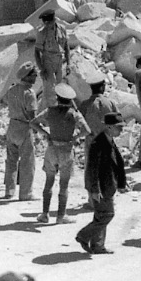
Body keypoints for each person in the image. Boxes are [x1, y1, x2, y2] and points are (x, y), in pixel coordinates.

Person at [75, 111, 129, 256]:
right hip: (101, 187)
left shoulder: (109, 140)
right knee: (107, 215)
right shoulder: (98, 143)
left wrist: (121, 183)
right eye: (119, 127)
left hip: (108, 186)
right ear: (110, 127)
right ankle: (83, 235)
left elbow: (117, 163)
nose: (121, 130)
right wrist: (94, 189)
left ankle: (98, 246)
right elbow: (92, 169)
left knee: (101, 216)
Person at [37, 83, 82, 224]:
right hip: (66, 150)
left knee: (49, 182)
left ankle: (45, 214)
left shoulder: (50, 111)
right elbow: (86, 129)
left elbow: (33, 123)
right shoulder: (73, 114)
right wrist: (74, 138)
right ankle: (61, 216)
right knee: (64, 185)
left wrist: (46, 134)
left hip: (52, 148)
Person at [2, 64, 40, 202]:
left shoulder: (12, 90)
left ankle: (9, 190)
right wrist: (38, 131)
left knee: (11, 160)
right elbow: (32, 116)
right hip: (24, 128)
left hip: (12, 126)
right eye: (34, 75)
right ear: (27, 76)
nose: (36, 77)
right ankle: (26, 193)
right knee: (27, 162)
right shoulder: (29, 93)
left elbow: (5, 102)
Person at [33, 8, 67, 83]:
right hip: (48, 61)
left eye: (49, 23)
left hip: (59, 60)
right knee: (49, 87)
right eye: (45, 23)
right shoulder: (42, 32)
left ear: (54, 20)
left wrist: (69, 64)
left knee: (59, 86)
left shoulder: (62, 29)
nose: (47, 25)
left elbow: (66, 46)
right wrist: (41, 68)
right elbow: (37, 52)